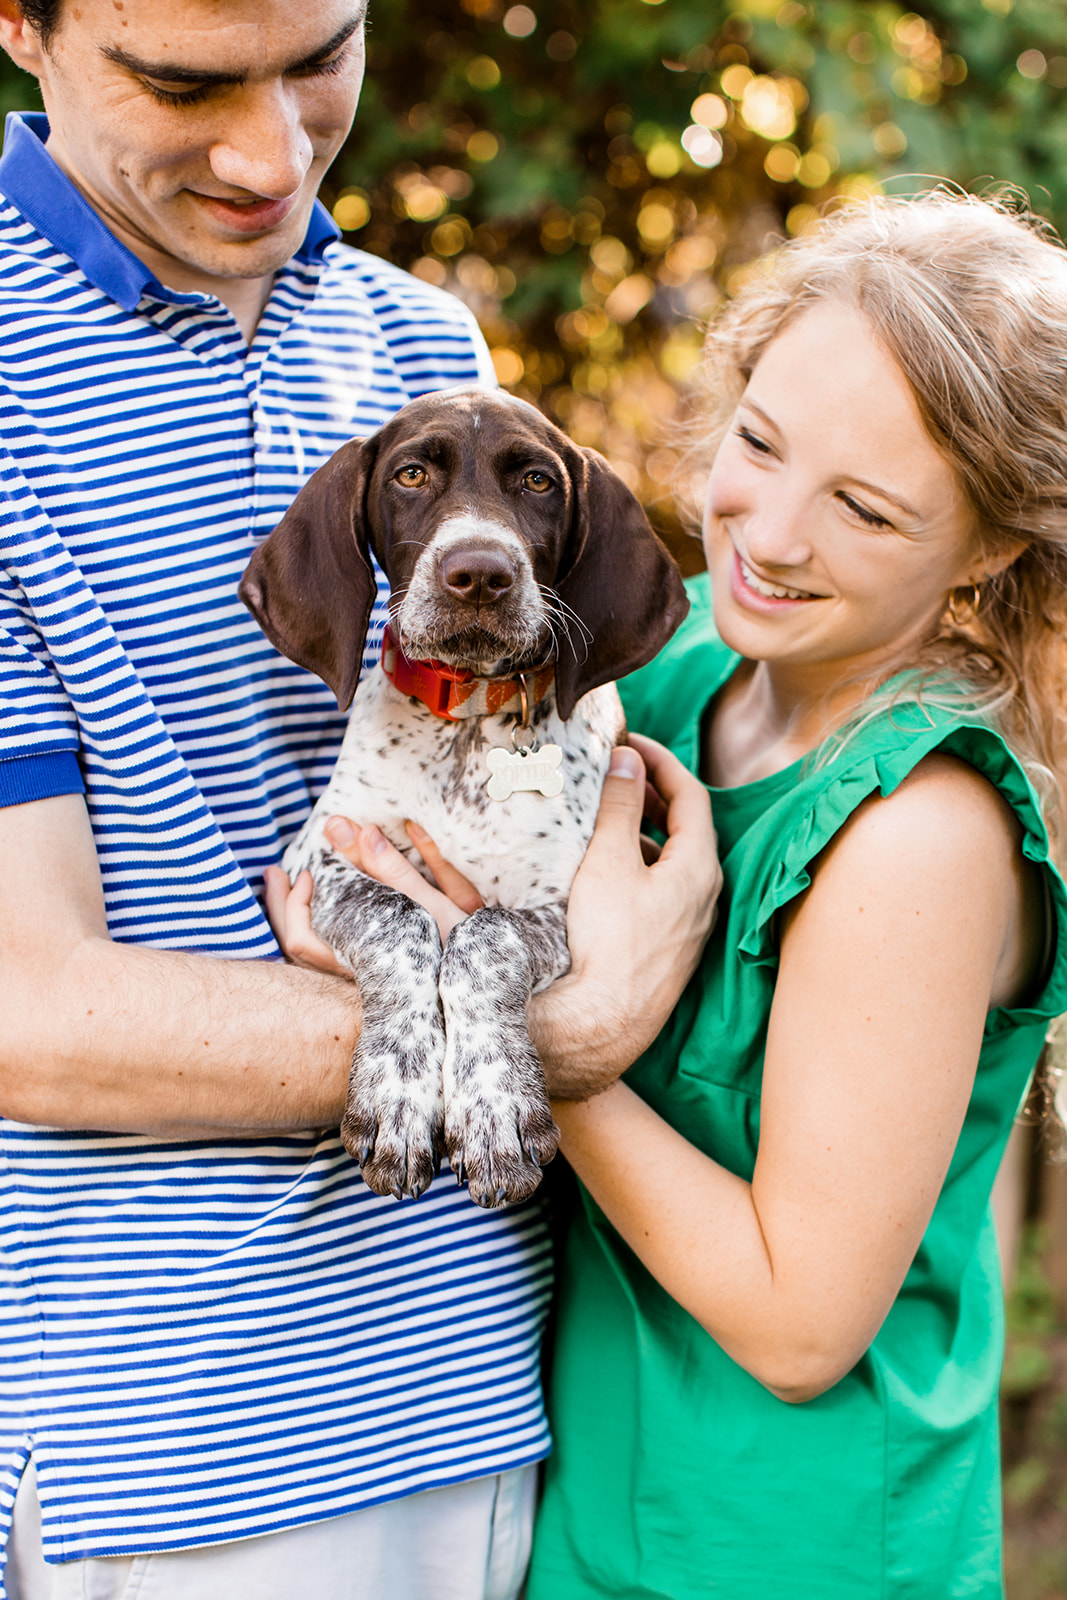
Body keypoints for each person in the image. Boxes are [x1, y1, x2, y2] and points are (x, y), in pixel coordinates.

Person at [0, 1, 716, 1596]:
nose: (273, 154)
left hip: (497, 1383)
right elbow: (21, 1014)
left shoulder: (421, 347)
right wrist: (567, 1037)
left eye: (321, 56)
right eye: (183, 83)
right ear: (19, 23)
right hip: (188, 1444)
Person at [345, 192, 1067, 1598]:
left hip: (786, 1548)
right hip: (579, 1521)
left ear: (987, 546)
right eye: (760, 445)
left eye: (863, 509)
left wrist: (543, 1038)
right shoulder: (660, 684)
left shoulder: (922, 824)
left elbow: (803, 1323)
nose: (772, 535)